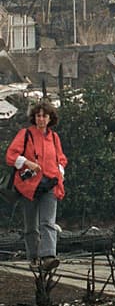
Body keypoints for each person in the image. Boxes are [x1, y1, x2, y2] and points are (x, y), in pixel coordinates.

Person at [7, 101, 67, 271]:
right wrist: (27, 163)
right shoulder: (25, 134)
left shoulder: (54, 137)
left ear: (50, 118)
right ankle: (34, 257)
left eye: (44, 116)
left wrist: (59, 171)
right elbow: (11, 155)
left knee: (48, 221)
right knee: (31, 225)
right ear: (34, 117)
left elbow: (61, 158)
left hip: (50, 184)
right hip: (29, 186)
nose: (41, 119)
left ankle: (48, 256)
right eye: (38, 116)